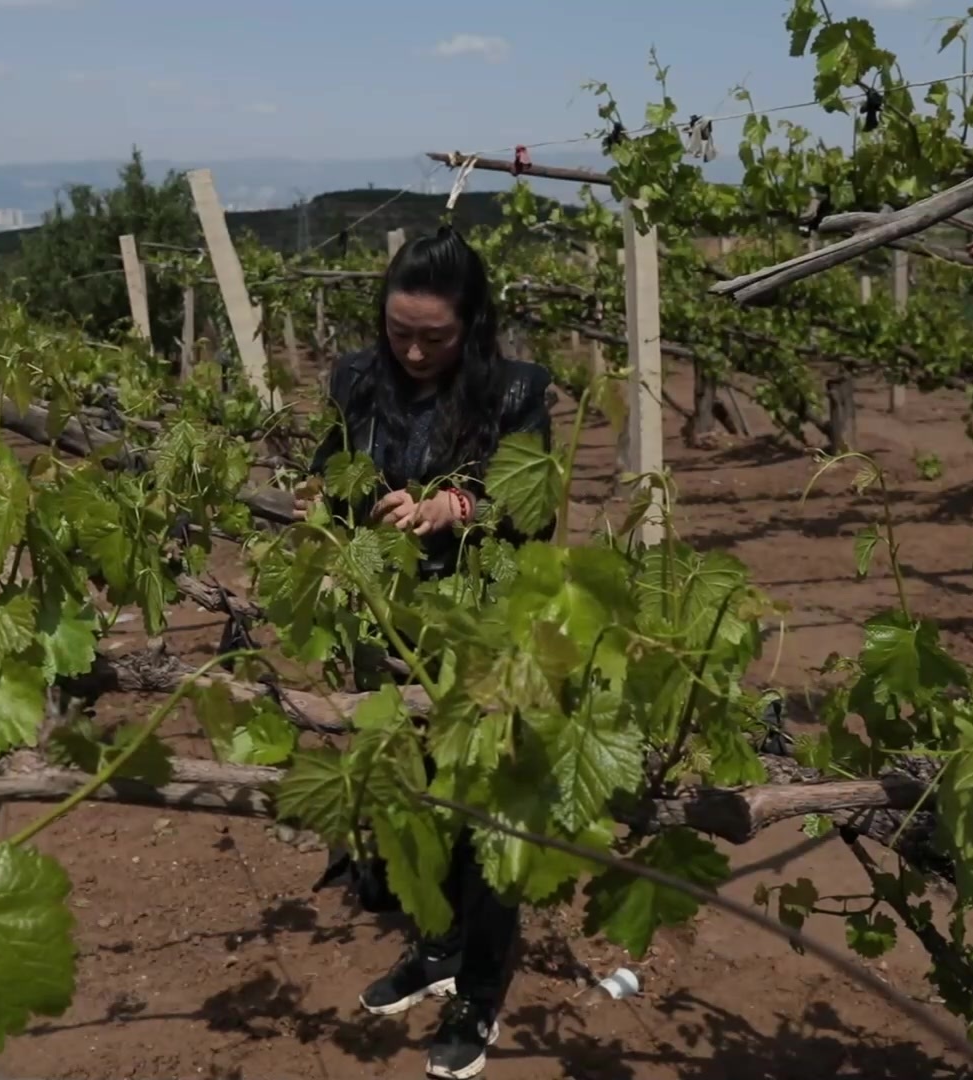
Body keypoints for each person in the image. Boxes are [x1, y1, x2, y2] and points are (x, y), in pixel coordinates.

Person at [295, 226, 554, 1080]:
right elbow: (331, 473)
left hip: (479, 630)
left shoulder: (516, 394)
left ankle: (479, 990)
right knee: (414, 798)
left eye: (433, 337)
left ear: (471, 326)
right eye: (399, 329)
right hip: (388, 622)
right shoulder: (357, 381)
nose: (411, 349)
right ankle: (436, 948)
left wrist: (455, 510)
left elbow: (535, 511)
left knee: (482, 809)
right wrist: (326, 507)